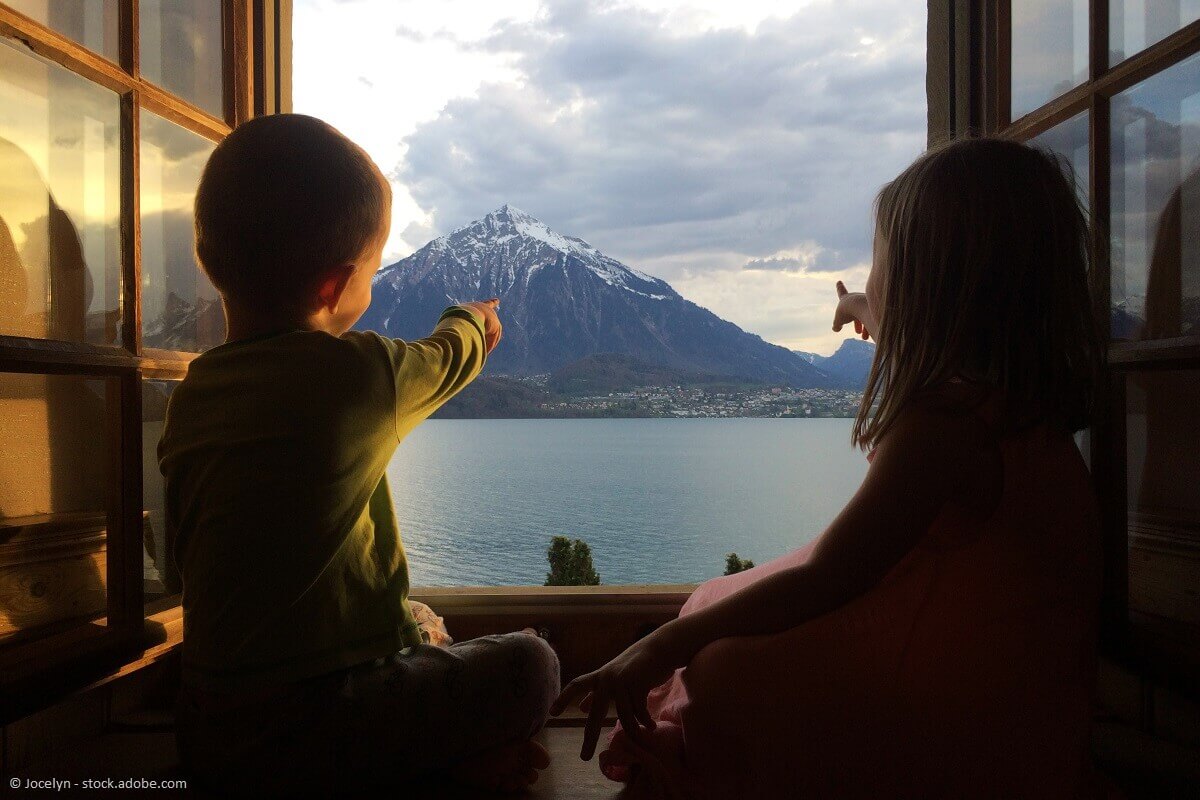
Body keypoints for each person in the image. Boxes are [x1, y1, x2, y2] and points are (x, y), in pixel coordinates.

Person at [552, 137, 1105, 799]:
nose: (876, 281)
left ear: (931, 288)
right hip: (1024, 698)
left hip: (967, 726)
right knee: (717, 613)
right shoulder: (1015, 412)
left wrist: (654, 648)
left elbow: (825, 576)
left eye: (885, 264)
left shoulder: (945, 428)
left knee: (722, 666)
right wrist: (867, 312)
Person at [160, 114, 559, 797]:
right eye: (373, 270)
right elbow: (448, 359)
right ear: (333, 287)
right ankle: (446, 764)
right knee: (534, 662)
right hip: (331, 726)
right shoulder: (357, 375)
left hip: (213, 734)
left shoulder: (194, 395)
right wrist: (475, 319)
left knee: (421, 619)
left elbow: (179, 559)